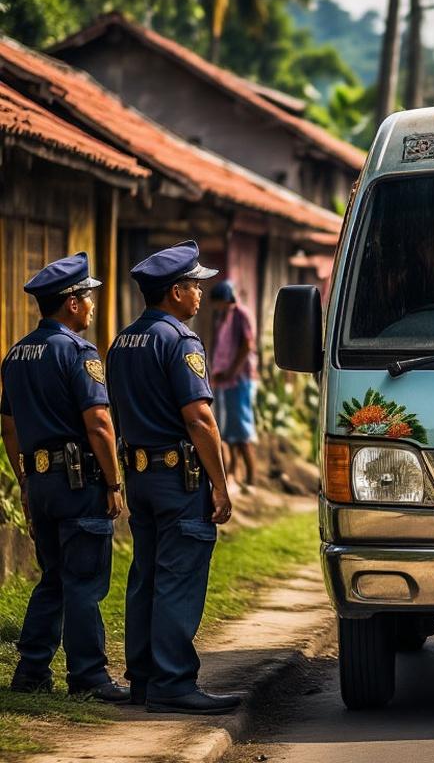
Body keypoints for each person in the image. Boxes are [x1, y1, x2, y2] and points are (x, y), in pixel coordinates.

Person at [106, 241, 240, 715]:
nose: (201, 293)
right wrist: (220, 485)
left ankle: (143, 679)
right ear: (175, 292)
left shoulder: (121, 342)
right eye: (194, 285)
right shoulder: (180, 341)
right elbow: (199, 419)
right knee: (177, 578)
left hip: (140, 474)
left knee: (146, 575)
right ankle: (173, 682)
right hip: (177, 478)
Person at [0, 253, 128, 701]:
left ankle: (31, 671)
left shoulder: (16, 354)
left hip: (40, 484)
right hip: (78, 484)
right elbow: (99, 423)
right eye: (88, 297)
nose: (92, 305)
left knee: (53, 577)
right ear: (72, 303)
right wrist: (113, 483)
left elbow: (9, 428)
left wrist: (24, 482)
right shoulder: (78, 351)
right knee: (84, 581)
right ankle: (88, 677)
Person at [209, 281, 258, 487]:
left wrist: (231, 372)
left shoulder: (240, 315)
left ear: (224, 300)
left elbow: (247, 345)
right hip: (224, 380)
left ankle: (251, 479)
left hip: (240, 379)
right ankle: (233, 473)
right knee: (228, 430)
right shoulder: (221, 318)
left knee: (241, 430)